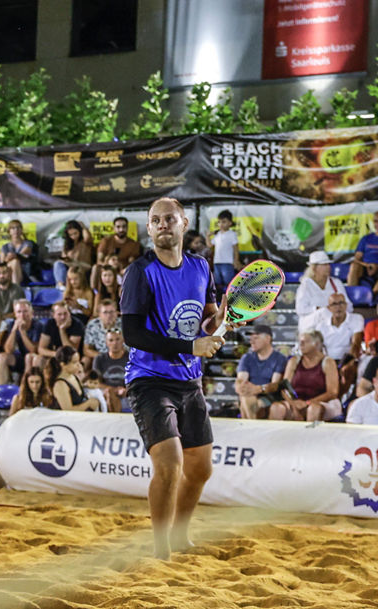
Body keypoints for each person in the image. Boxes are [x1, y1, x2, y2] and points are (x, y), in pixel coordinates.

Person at [120, 197, 231, 560]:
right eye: (155, 220)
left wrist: (221, 323)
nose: (163, 224)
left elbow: (209, 319)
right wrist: (191, 345)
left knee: (200, 470)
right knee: (169, 465)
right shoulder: (140, 271)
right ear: (150, 229)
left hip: (189, 381)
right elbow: (132, 335)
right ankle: (160, 549)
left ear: (184, 224)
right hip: (149, 379)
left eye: (170, 218)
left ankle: (181, 536)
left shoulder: (200, 267)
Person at [270, 330, 342, 422]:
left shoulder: (328, 362)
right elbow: (284, 388)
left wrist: (307, 403)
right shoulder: (294, 361)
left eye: (305, 341)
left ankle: (310, 435)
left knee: (313, 409)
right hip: (296, 402)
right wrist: (293, 405)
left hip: (322, 402)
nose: (301, 344)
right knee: (277, 408)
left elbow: (332, 393)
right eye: (300, 341)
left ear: (316, 344)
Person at [312, 292, 364, 394]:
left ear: (346, 305)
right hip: (329, 360)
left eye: (341, 303)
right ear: (329, 308)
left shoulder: (356, 319)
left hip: (349, 359)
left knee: (348, 370)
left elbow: (356, 344)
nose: (338, 307)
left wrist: (346, 364)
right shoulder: (321, 326)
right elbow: (318, 349)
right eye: (334, 304)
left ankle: (338, 399)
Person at [233, 325, 287, 420]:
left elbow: (274, 385)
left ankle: (250, 428)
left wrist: (258, 389)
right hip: (250, 394)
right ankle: (252, 428)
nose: (251, 341)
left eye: (256, 338)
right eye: (251, 338)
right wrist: (242, 388)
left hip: (270, 396)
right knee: (246, 397)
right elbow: (240, 380)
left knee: (247, 400)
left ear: (268, 338)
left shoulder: (279, 359)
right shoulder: (247, 358)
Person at [295, 251, 347, 334]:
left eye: (328, 264)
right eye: (324, 265)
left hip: (333, 322)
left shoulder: (336, 283)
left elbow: (348, 305)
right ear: (314, 268)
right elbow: (300, 309)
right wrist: (319, 309)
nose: (328, 267)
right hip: (311, 324)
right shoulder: (306, 285)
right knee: (323, 313)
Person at [346, 211, 378, 293]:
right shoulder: (366, 239)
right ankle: (351, 294)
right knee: (354, 266)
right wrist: (368, 265)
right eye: (376, 221)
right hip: (365, 267)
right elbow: (356, 259)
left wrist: (377, 266)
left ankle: (373, 294)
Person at [0, 299, 40, 385]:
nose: (22, 315)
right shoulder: (11, 325)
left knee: (28, 357)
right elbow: (8, 350)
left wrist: (22, 332)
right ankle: (3, 389)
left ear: (32, 313)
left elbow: (33, 350)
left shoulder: (38, 325)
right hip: (20, 358)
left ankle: (25, 388)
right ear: (15, 314)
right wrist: (14, 330)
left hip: (34, 359)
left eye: (25, 311)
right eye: (19, 312)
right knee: (2, 356)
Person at [49, 345, 101, 411]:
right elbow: (68, 410)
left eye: (78, 361)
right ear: (63, 365)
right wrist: (88, 404)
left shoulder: (73, 376)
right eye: (74, 362)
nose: (78, 365)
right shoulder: (60, 384)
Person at [90, 328, 129, 412]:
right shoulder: (99, 359)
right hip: (106, 392)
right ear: (107, 343)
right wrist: (113, 390)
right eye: (111, 340)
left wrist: (127, 390)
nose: (115, 343)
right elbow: (94, 382)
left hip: (125, 393)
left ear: (123, 341)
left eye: (118, 339)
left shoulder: (130, 358)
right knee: (109, 393)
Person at [54, 220, 94, 288]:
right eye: (71, 235)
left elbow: (88, 237)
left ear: (80, 231)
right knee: (58, 264)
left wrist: (83, 227)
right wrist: (66, 260)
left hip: (84, 266)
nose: (73, 236)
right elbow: (64, 258)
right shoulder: (67, 245)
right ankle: (61, 286)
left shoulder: (85, 242)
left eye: (75, 233)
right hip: (71, 267)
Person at [209, 210, 241, 294]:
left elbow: (236, 248)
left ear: (230, 223)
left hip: (227, 262)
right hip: (217, 262)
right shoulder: (217, 234)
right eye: (219, 222)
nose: (221, 224)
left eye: (224, 222)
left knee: (229, 281)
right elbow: (209, 245)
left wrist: (236, 260)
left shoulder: (232, 234)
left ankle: (230, 297)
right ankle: (220, 298)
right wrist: (207, 236)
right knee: (217, 281)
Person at [82, 299, 122, 364]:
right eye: (105, 312)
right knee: (85, 360)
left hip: (121, 357)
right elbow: (86, 350)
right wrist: (104, 357)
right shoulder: (92, 325)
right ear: (99, 314)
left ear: (116, 313)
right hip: (101, 357)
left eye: (112, 312)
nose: (109, 315)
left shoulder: (123, 325)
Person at [0, 219, 36, 285]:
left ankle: (15, 288)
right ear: (9, 231)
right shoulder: (5, 247)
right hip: (8, 273)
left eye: (18, 227)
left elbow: (23, 253)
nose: (16, 230)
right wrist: (6, 260)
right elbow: (1, 264)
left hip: (25, 273)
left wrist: (12, 257)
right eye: (13, 228)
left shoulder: (28, 243)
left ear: (21, 230)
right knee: (12, 263)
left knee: (15, 261)